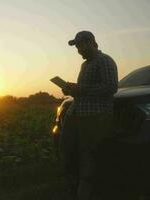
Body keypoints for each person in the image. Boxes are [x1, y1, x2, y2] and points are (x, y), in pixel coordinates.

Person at [61, 31, 118, 200]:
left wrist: (80, 89)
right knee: (69, 151)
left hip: (95, 116)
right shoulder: (85, 65)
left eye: (81, 45)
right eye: (77, 46)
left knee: (88, 155)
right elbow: (84, 91)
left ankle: (87, 192)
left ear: (93, 43)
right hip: (77, 113)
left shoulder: (105, 60)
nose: (79, 49)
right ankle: (75, 186)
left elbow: (110, 87)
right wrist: (71, 90)